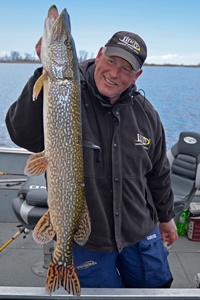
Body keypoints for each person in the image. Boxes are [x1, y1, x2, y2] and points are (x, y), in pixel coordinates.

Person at [6, 31, 178, 289]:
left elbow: (159, 173)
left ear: (137, 76)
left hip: (140, 231)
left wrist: (166, 217)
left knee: (158, 290)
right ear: (99, 56)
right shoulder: (65, 94)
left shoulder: (147, 114)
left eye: (126, 68)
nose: (114, 73)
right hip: (88, 239)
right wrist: (44, 72)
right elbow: (22, 134)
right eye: (111, 61)